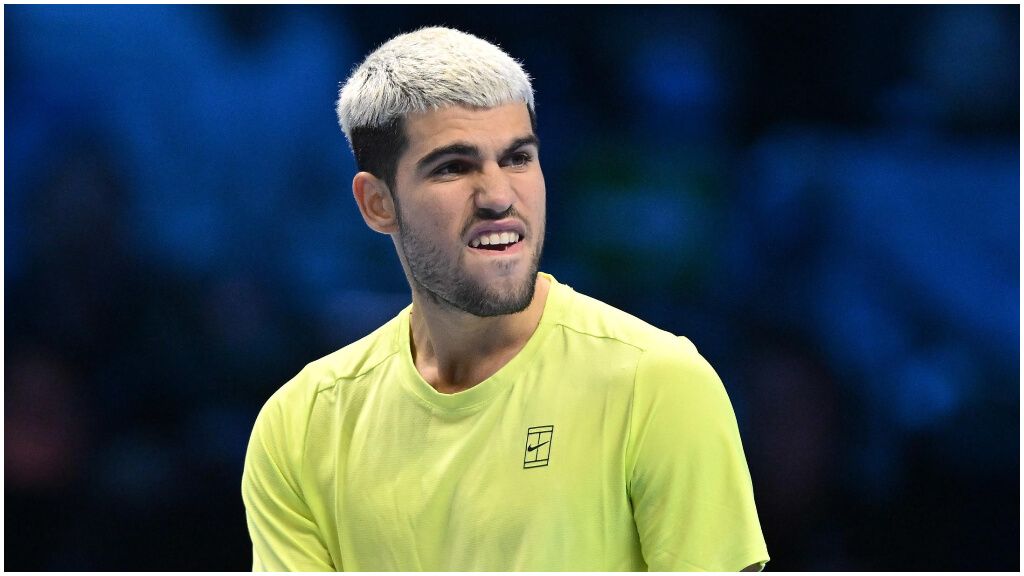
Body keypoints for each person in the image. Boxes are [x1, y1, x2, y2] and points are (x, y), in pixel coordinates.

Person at [242, 26, 769, 572]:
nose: (498, 196)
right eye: (453, 166)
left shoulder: (659, 383)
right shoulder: (300, 424)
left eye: (518, 158)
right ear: (377, 204)